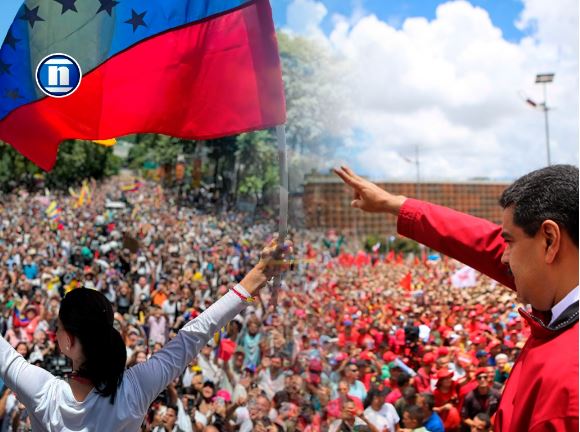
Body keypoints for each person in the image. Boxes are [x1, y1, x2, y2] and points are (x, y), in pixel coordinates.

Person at [335, 164, 579, 431]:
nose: (502, 256)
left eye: (509, 242)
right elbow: (480, 243)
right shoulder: (559, 276)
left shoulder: (568, 392)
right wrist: (397, 205)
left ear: (550, 240)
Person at [0, 238, 292, 431]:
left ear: (68, 341)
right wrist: (259, 274)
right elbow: (194, 335)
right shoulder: (136, 388)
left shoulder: (43, 392)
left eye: (58, 328)